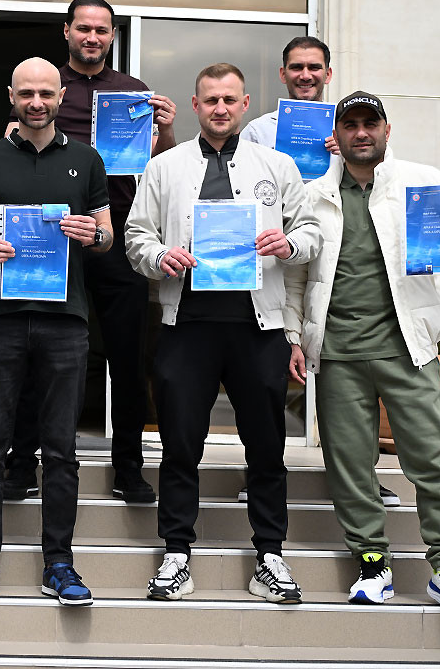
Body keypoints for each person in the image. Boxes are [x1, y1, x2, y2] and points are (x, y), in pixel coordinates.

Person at [284, 91, 440, 620]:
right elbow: (296, 277)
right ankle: (372, 563)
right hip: (338, 351)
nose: (361, 133)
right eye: (350, 124)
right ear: (337, 135)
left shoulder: (423, 183)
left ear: (386, 129)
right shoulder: (313, 195)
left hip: (406, 348)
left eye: (370, 123)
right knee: (350, 464)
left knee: (431, 459)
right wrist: (293, 336)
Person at [125, 63, 320, 604]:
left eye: (230, 100)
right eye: (210, 99)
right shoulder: (164, 167)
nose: (220, 108)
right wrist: (160, 256)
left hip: (258, 327)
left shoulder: (277, 165)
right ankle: (176, 554)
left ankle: (270, 555)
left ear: (245, 104)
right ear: (195, 104)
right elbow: (136, 236)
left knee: (267, 447)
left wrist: (289, 244)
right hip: (186, 326)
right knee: (179, 445)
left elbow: (311, 231)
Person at [0, 58, 113, 606]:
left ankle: (59, 563)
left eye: (46, 93)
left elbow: (108, 236)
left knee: (61, 449)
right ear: (11, 96)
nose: (36, 102)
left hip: (65, 321)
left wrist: (92, 234)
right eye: (26, 93)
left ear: (61, 96)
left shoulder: (87, 160)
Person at [4, 0, 178, 505]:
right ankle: (22, 462)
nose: (92, 37)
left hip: (118, 234)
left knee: (127, 357)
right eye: (84, 28)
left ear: (112, 37)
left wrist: (167, 130)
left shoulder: (134, 93)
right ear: (67, 31)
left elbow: (161, 167)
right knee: (37, 354)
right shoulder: (44, 86)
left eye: (102, 30)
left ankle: (129, 469)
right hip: (51, 238)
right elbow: (14, 151)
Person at [238, 37, 400, 507]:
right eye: (296, 67)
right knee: (269, 377)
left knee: (351, 378)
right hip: (277, 257)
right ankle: (261, 473)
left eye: (314, 67)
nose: (305, 75)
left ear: (328, 74)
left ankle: (360, 477)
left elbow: (381, 178)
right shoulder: (258, 131)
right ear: (283, 74)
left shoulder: (351, 127)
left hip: (335, 252)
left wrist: (341, 152)